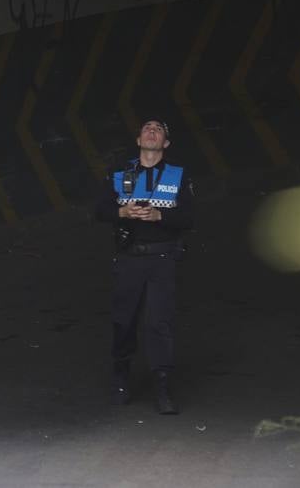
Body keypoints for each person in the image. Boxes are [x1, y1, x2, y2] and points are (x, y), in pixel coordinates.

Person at [94, 119, 194, 415]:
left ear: (165, 143)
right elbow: (99, 209)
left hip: (162, 259)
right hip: (129, 258)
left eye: (159, 129)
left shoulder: (178, 175)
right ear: (139, 139)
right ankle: (121, 376)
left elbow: (190, 217)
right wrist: (121, 211)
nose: (152, 131)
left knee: (159, 323)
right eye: (147, 128)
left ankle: (162, 386)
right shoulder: (118, 173)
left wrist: (159, 217)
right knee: (124, 320)